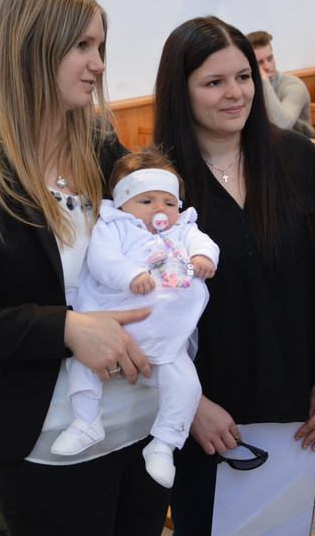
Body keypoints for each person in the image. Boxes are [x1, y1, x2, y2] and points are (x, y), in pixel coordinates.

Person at [0, 0, 169, 536]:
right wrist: (66, 329)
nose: (98, 63)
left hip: (141, 422)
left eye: (100, 46)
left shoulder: (99, 145)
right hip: (47, 439)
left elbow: (156, 236)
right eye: (81, 45)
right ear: (31, 49)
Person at [153, 16, 315, 535]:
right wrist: (190, 405)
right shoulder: (156, 185)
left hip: (301, 405)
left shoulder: (298, 159)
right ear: (180, 91)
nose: (235, 93)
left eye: (244, 77)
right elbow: (142, 314)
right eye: (214, 82)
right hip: (206, 416)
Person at [52, 149, 220, 490]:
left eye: (169, 202)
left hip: (164, 332)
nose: (160, 210)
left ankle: (164, 445)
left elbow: (203, 241)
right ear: (123, 203)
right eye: (147, 201)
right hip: (112, 321)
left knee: (188, 386)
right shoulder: (114, 224)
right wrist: (129, 274)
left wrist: (203, 256)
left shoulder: (182, 227)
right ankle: (85, 421)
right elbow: (101, 258)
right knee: (81, 365)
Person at [246, 30, 315, 137]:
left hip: (298, 145)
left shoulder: (294, 85)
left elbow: (282, 125)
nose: (267, 66)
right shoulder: (248, 88)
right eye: (260, 63)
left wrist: (264, 82)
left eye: (270, 58)